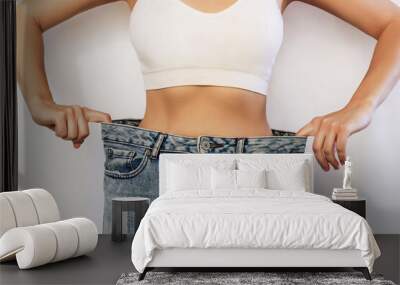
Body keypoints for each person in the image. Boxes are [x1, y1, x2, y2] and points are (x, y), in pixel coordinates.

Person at [17, 0, 400, 233]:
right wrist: (39, 102)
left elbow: (393, 23)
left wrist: (357, 110)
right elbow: (27, 14)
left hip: (261, 177)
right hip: (147, 175)